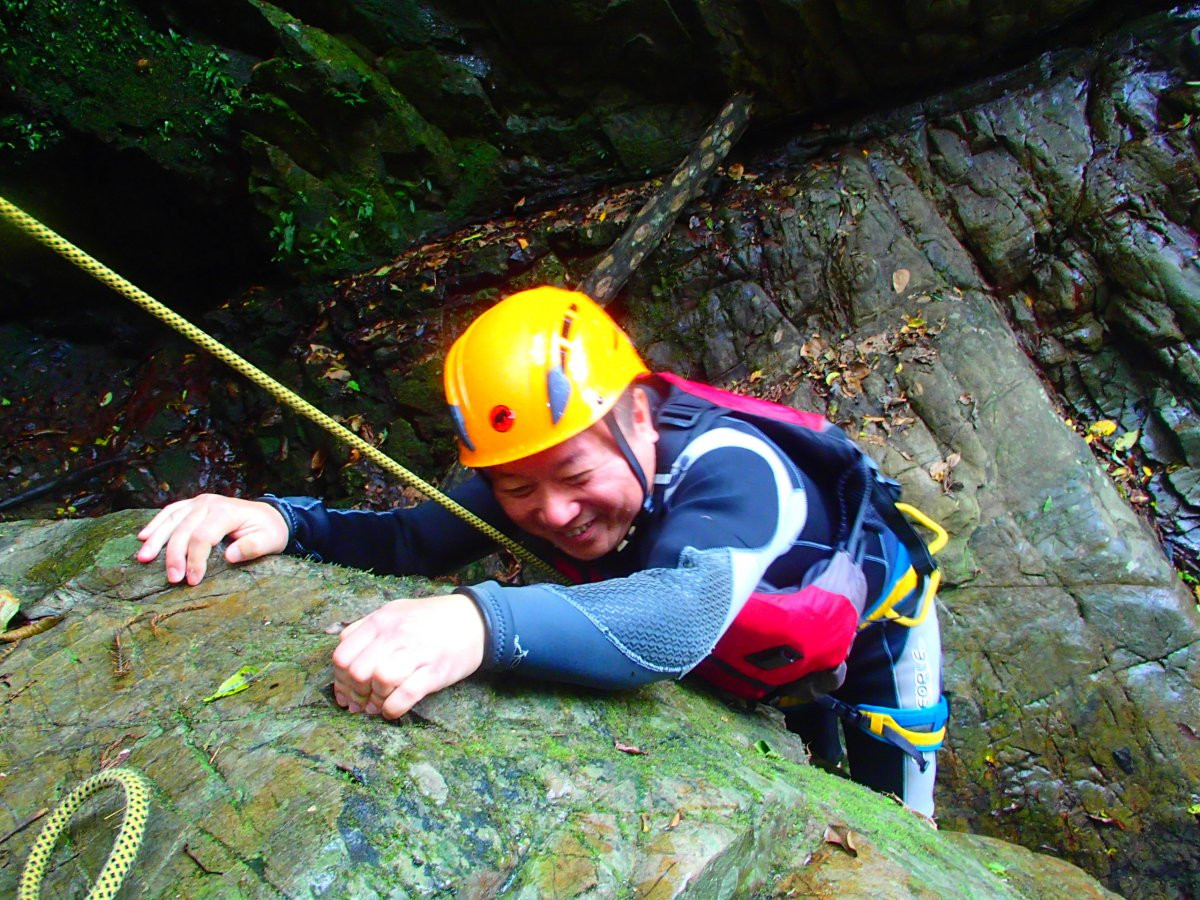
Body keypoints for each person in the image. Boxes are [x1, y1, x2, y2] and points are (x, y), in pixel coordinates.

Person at [136, 286, 947, 816]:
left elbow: (682, 613)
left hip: (872, 638)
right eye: (517, 490)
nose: (552, 512)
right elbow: (415, 538)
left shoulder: (735, 474)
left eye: (572, 473)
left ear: (636, 420)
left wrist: (477, 625)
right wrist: (286, 520)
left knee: (902, 825)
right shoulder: (536, 471)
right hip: (759, 655)